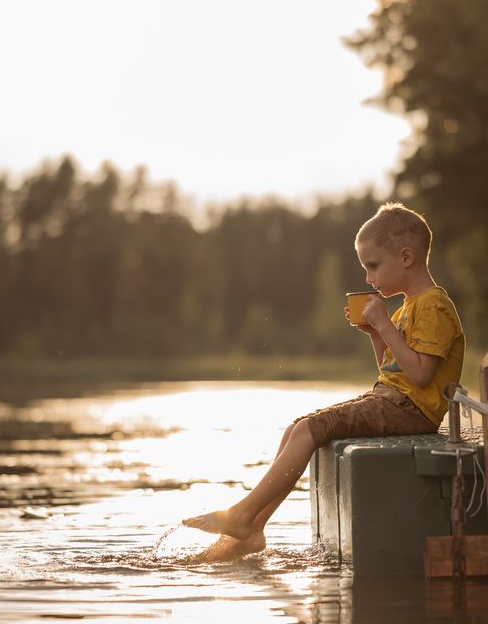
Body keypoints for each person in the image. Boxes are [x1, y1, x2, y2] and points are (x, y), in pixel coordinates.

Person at [182, 202, 465, 561]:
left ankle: (241, 514)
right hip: (393, 399)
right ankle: (254, 528)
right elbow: (391, 370)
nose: (368, 277)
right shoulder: (408, 306)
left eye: (373, 266)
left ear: (406, 257)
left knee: (308, 431)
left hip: (412, 410)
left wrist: (383, 325)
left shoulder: (434, 306)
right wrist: (375, 333)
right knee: (296, 428)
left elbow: (422, 374)